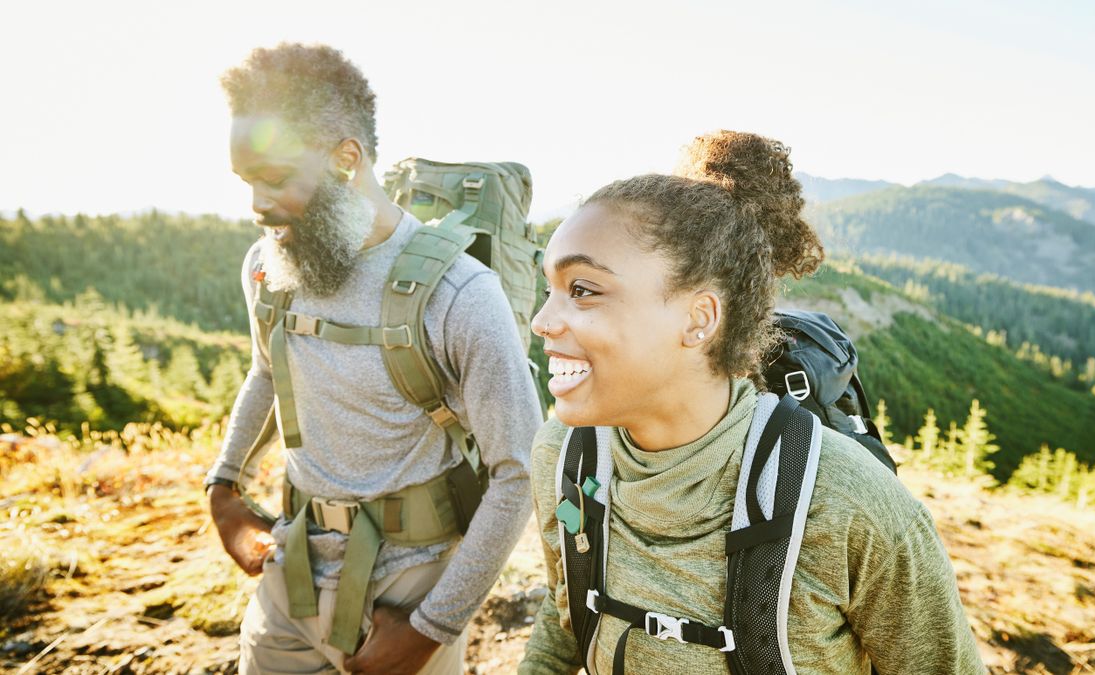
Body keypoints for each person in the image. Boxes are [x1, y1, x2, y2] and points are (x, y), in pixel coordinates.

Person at [518, 131, 986, 674]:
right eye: (550, 289)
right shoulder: (564, 457)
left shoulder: (846, 504)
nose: (542, 322)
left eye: (583, 290)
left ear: (698, 320)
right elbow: (568, 612)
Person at [203, 43, 542, 675]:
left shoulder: (460, 295)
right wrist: (222, 487)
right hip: (290, 571)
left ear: (345, 158)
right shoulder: (268, 264)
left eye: (275, 178)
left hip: (410, 588)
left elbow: (518, 471)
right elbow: (268, 373)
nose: (255, 204)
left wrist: (429, 630)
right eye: (245, 181)